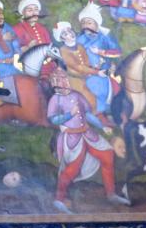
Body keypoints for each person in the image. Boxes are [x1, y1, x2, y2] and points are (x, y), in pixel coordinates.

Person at [46, 65, 129, 214]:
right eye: (59, 80)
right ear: (54, 83)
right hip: (72, 137)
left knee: (107, 155)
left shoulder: (77, 95)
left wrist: (102, 126)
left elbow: (88, 114)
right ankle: (59, 199)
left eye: (64, 78)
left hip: (87, 133)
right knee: (73, 168)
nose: (64, 82)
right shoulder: (55, 100)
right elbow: (53, 119)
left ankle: (111, 194)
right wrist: (69, 115)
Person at [76, 0, 121, 117]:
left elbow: (117, 52)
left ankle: (106, 113)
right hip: (87, 74)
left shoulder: (105, 37)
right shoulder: (79, 39)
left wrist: (101, 52)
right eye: (83, 23)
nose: (86, 25)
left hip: (105, 72)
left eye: (89, 22)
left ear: (96, 23)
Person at [54, 21, 98, 110]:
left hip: (87, 75)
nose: (70, 34)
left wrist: (92, 69)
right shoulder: (63, 50)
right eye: (65, 34)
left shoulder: (80, 46)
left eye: (70, 31)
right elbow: (77, 67)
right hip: (74, 80)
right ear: (62, 38)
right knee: (86, 97)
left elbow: (86, 61)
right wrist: (95, 72)